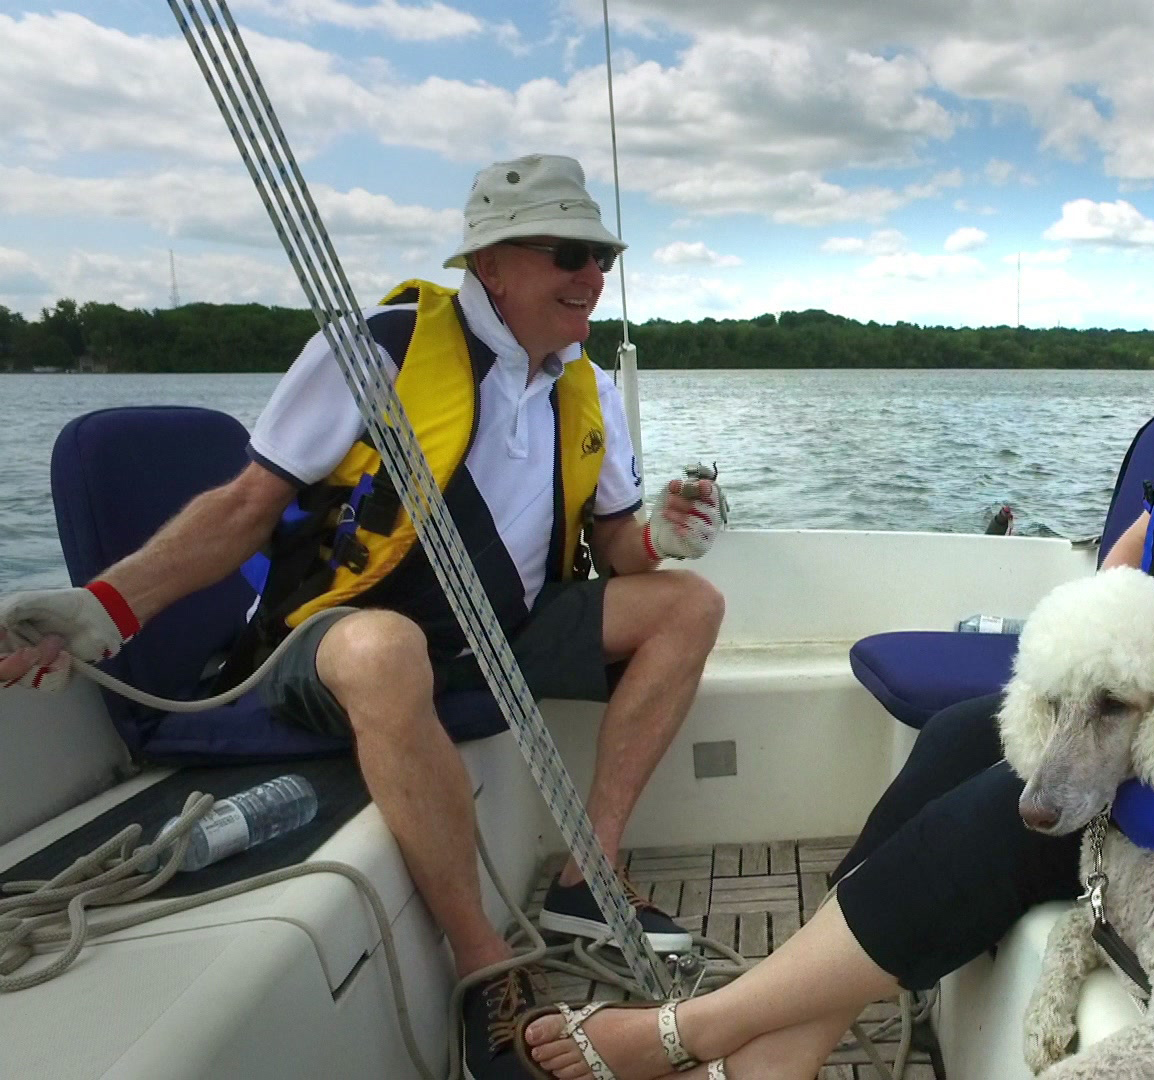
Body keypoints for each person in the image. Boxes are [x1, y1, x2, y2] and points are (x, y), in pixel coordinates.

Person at [515, 120, 1154, 1080]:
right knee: (963, 736)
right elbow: (1137, 558)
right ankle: (789, 1041)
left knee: (1018, 821)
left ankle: (699, 1031)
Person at [0, 154, 730, 1080]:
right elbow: (244, 507)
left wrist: (662, 534)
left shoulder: (581, 386)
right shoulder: (379, 348)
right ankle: (487, 971)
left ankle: (588, 877)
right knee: (387, 648)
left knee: (687, 607)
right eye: (566, 253)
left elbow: (619, 545)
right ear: (492, 264)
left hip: (497, 633)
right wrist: (106, 604)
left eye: (603, 258)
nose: (591, 275)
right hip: (342, 639)